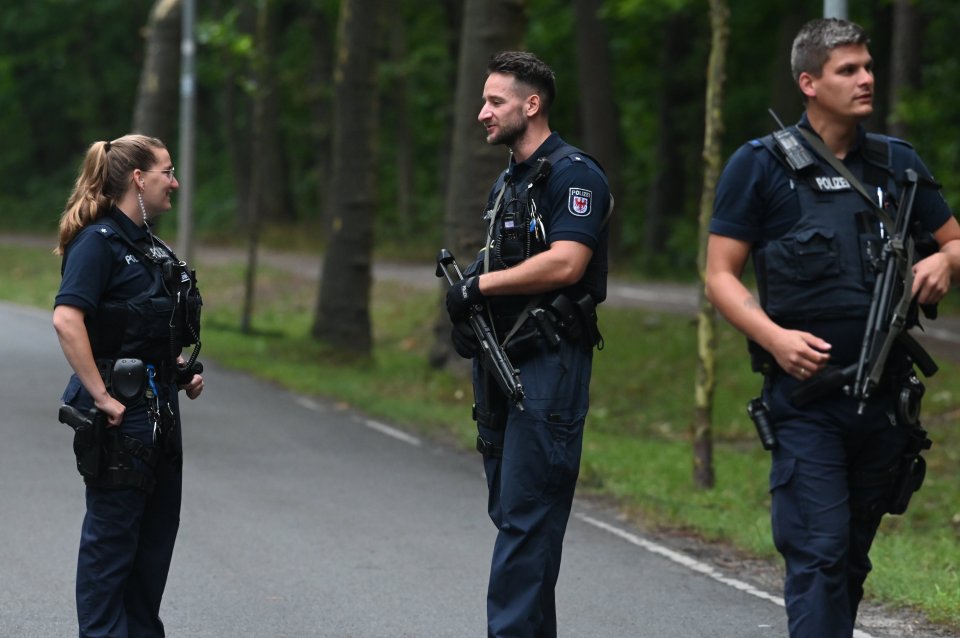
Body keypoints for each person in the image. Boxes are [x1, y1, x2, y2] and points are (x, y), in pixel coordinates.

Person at [705, 18, 960, 638]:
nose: (866, 78)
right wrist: (774, 338)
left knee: (848, 558)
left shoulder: (897, 165)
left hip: (885, 403)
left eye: (868, 66)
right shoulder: (760, 165)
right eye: (849, 70)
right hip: (807, 399)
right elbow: (720, 275)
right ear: (809, 83)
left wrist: (945, 258)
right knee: (817, 554)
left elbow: (955, 240)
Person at [444, 51, 611, 638]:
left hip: (548, 368)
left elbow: (567, 262)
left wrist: (480, 284)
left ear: (531, 105)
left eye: (495, 101)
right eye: (484, 100)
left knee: (525, 518)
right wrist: (470, 297)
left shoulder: (574, 174)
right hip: (502, 367)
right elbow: (501, 261)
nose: (481, 112)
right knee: (514, 515)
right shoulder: (510, 180)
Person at [52, 134, 204, 638]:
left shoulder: (148, 247)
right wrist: (99, 393)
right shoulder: (98, 243)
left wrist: (179, 368)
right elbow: (67, 319)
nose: (174, 182)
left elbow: (142, 325)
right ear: (138, 178)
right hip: (121, 417)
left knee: (153, 544)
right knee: (112, 544)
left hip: (159, 411)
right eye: (167, 171)